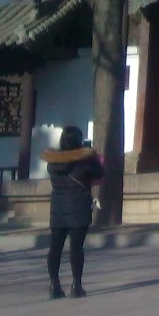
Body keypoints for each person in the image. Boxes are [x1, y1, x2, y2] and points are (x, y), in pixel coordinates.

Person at [42, 125, 103, 299]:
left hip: (58, 208)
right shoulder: (85, 160)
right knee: (76, 247)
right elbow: (100, 173)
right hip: (78, 207)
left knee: (55, 248)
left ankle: (54, 285)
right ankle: (76, 285)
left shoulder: (53, 161)